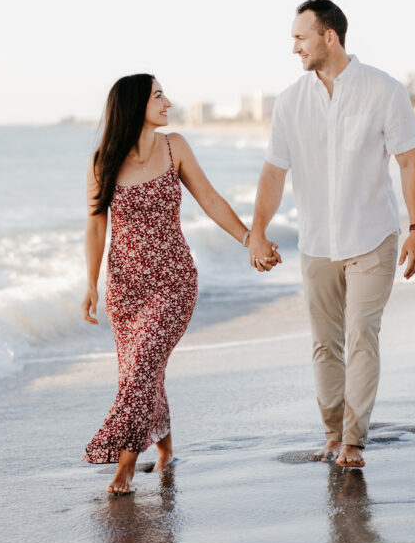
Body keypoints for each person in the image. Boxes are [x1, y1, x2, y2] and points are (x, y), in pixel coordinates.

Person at [248, 0, 415, 469]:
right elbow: (273, 172)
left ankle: (353, 441)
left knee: (362, 334)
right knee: (324, 342)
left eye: (300, 38)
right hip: (317, 243)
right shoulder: (290, 102)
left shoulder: (385, 91)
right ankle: (331, 433)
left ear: (329, 37)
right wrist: (257, 231)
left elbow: (409, 161)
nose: (294, 48)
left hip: (373, 236)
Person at [81, 73, 278, 494]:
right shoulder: (103, 161)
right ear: (136, 105)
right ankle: (165, 448)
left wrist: (248, 239)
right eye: (158, 96)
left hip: (173, 282)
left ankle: (125, 466)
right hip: (125, 288)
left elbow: (209, 199)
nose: (168, 102)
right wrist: (91, 284)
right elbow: (96, 227)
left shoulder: (176, 148)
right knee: (139, 372)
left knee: (142, 365)